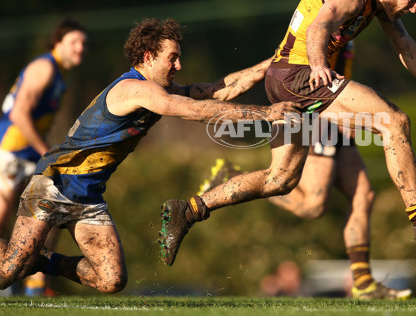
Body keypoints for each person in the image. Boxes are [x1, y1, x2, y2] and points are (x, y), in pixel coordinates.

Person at [159, 0, 416, 297]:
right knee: (394, 121)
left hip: (288, 80)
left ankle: (189, 210)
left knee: (279, 181)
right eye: (412, 0)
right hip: (299, 78)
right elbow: (319, 26)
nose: (414, 9)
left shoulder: (379, 3)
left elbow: (408, 49)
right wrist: (317, 64)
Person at [0, 18, 300, 293]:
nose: (179, 65)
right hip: (54, 186)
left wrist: (271, 64)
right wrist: (267, 113)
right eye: (172, 57)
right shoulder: (134, 89)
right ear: (148, 57)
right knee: (10, 270)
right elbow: (194, 111)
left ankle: (39, 261)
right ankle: (25, 260)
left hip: (88, 197)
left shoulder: (157, 90)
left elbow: (216, 91)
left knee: (111, 280)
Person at [196, 0, 412, 300]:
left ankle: (363, 282)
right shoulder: (327, 19)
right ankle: (231, 176)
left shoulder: (357, 21)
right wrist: (223, 87)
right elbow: (282, 63)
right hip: (321, 114)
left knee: (364, 195)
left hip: (337, 118)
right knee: (311, 205)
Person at [0, 17, 87, 296]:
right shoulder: (45, 67)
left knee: (54, 206)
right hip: (11, 149)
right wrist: (45, 151)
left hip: (27, 152)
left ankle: (35, 282)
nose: (80, 49)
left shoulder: (62, 73)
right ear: (57, 42)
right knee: (2, 216)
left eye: (84, 44)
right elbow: (18, 115)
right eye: (74, 42)